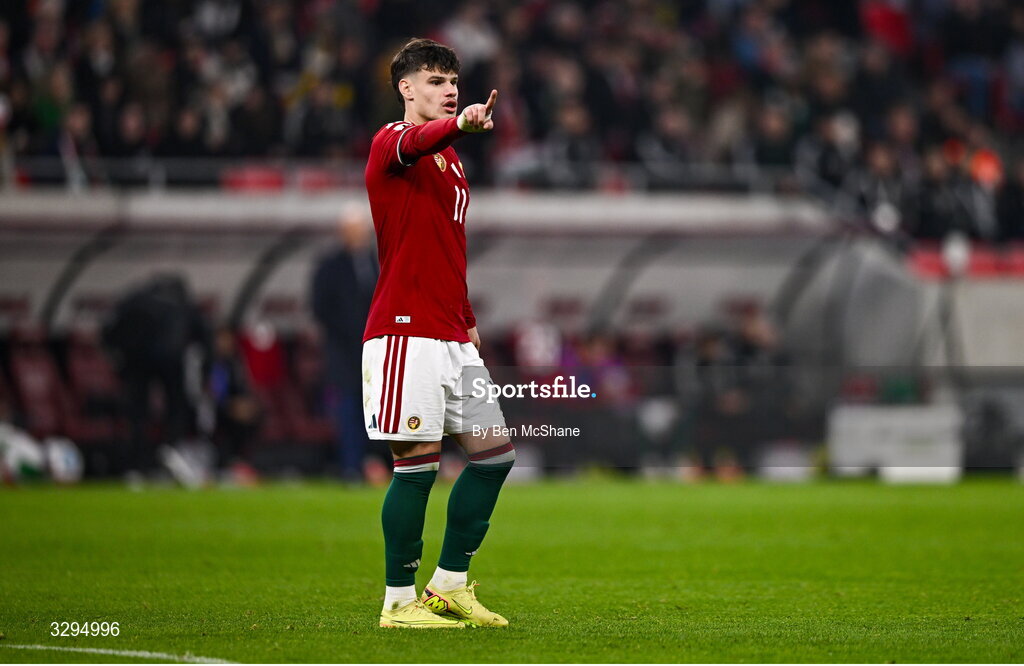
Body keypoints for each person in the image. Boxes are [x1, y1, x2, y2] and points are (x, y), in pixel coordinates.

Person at [363, 38, 513, 629]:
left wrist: (467, 316)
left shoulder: (451, 161)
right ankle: (398, 602)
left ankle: (449, 586)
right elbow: (414, 142)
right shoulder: (391, 142)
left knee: (495, 457)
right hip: (405, 333)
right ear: (406, 88)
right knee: (417, 468)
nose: (449, 90)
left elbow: (447, 247)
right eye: (435, 80)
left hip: (450, 333)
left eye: (453, 81)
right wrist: (461, 125)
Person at [310, 204, 378, 482]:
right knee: (348, 409)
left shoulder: (379, 261)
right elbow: (320, 307)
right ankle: (351, 467)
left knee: (379, 410)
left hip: (377, 351)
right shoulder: (330, 266)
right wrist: (349, 331)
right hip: (343, 352)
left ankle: (377, 463)